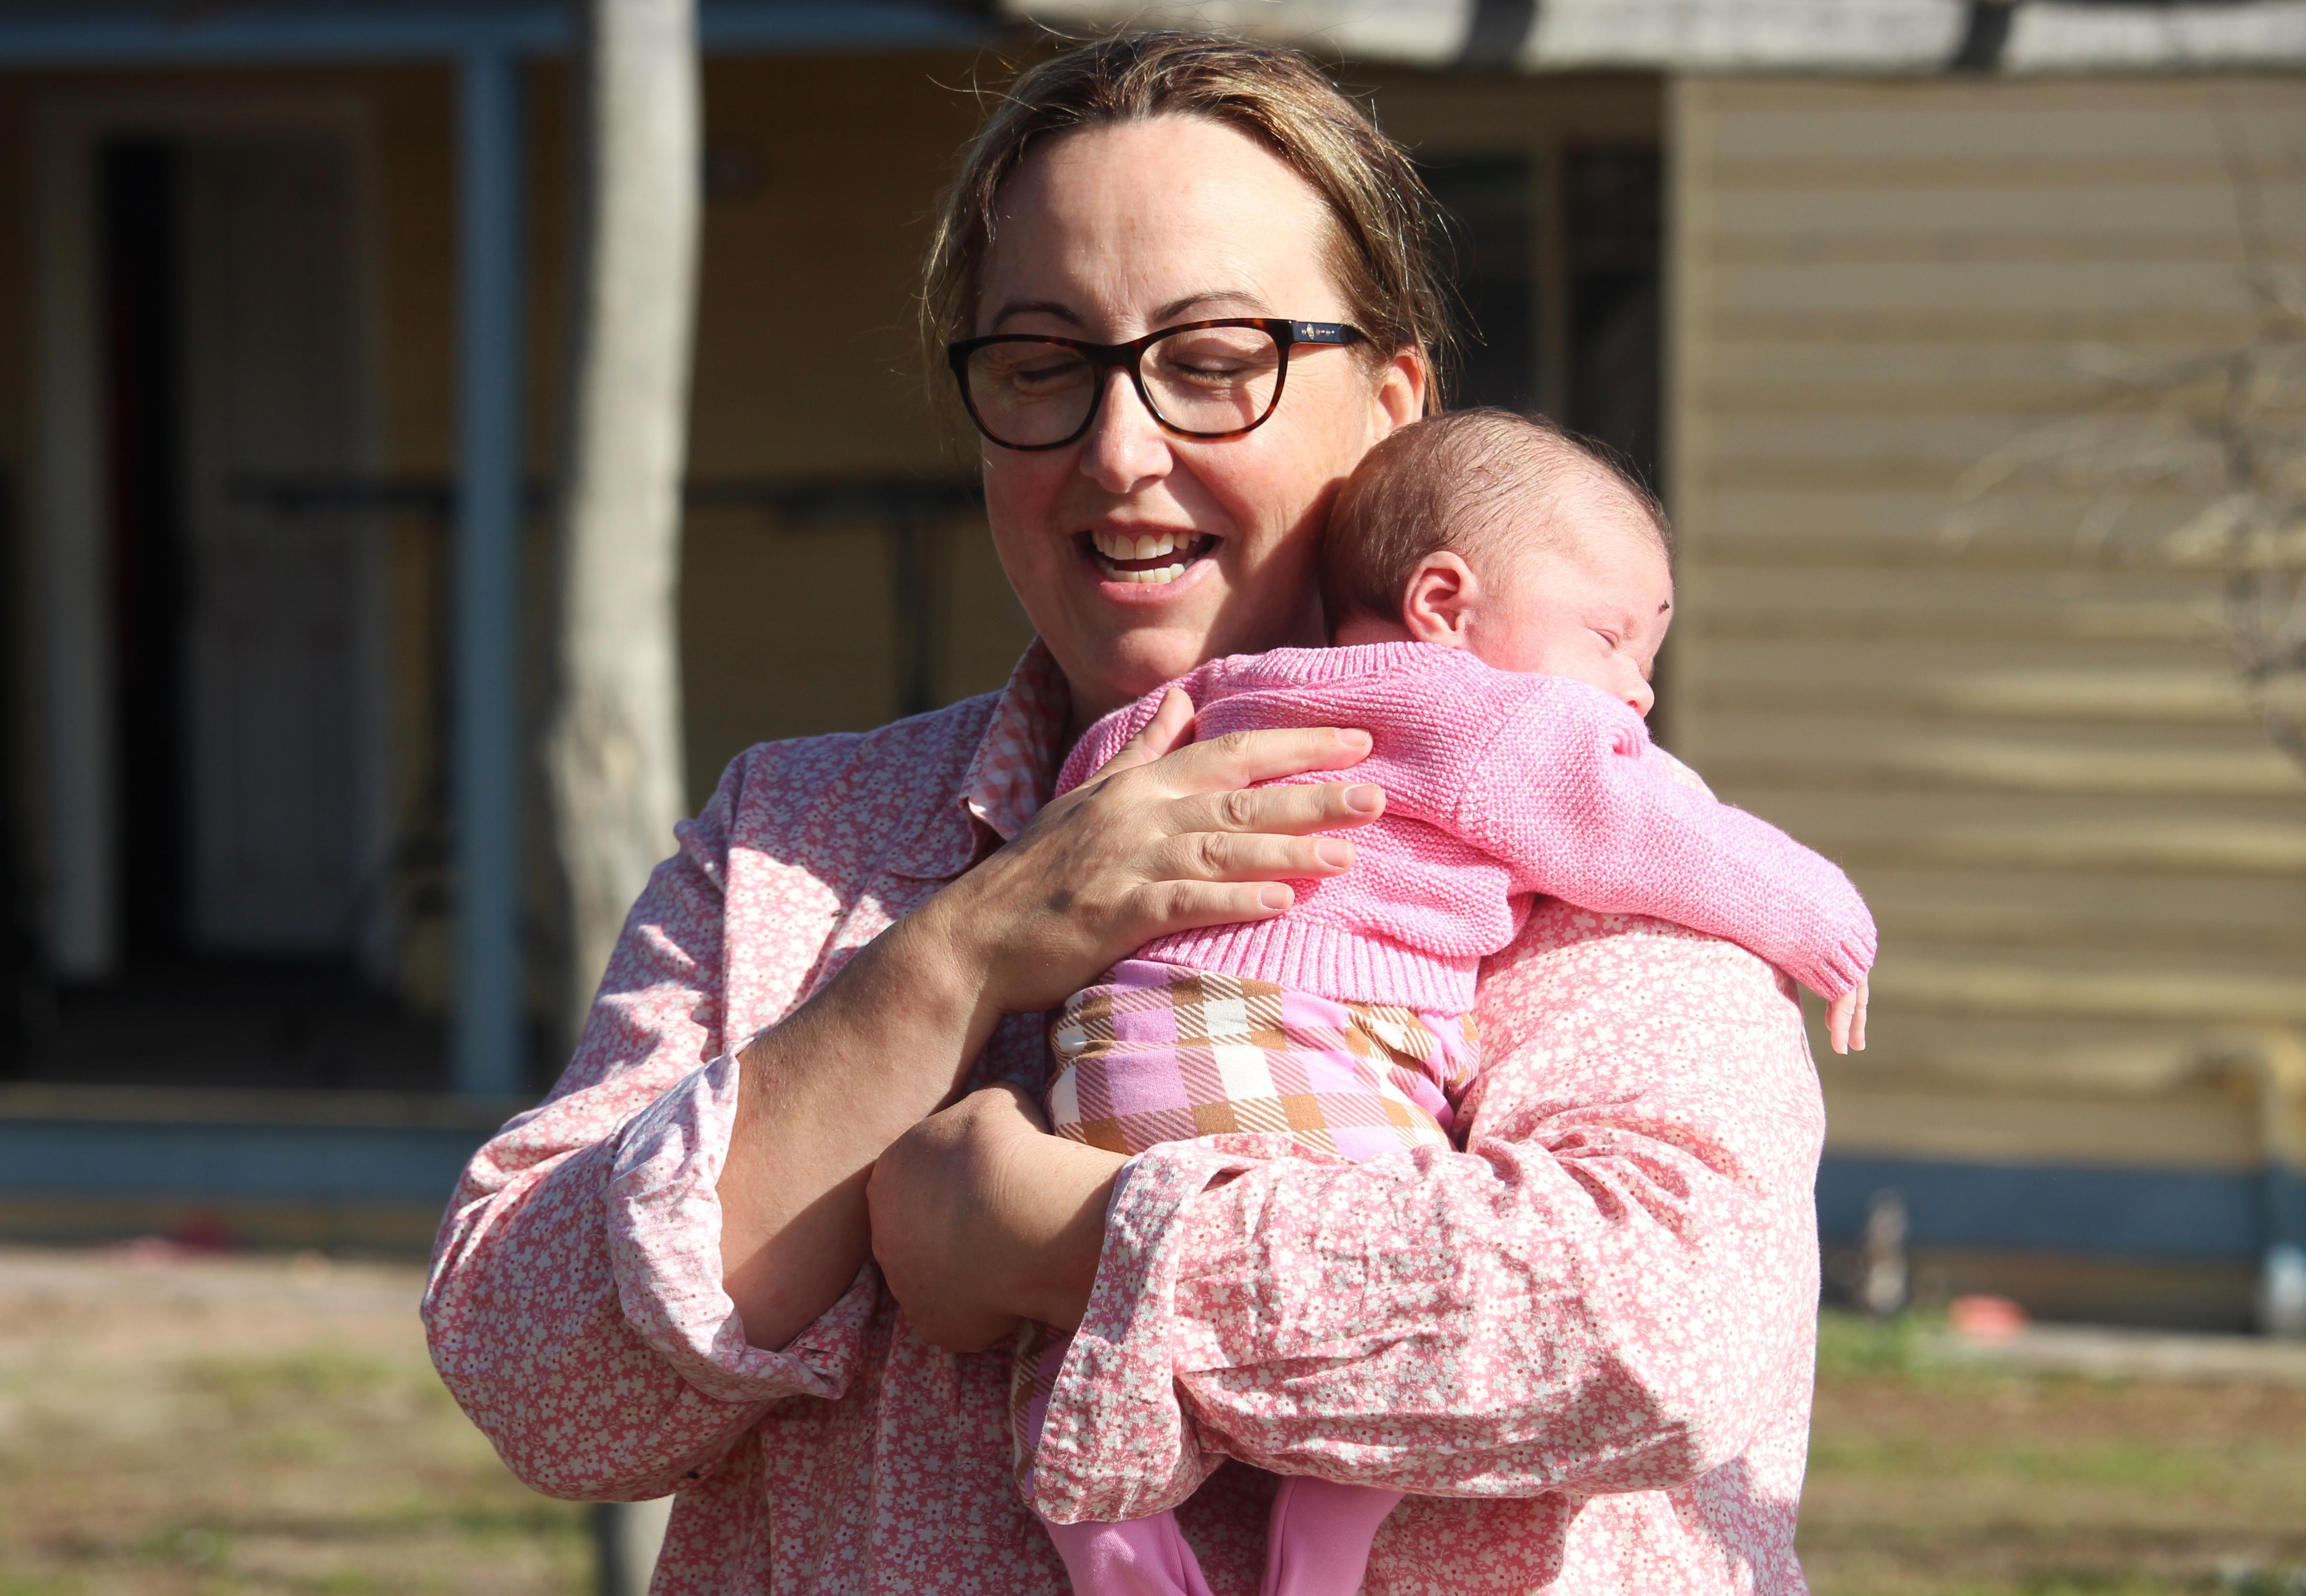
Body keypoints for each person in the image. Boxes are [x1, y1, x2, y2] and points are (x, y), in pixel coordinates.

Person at [423, 32, 1826, 1596]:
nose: (1120, 449)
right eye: (1041, 363)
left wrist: (1065, 1238)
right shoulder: (807, 842)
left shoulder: (1580, 844)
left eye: (1218, 361)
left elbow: (1663, 1336)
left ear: (1392, 402)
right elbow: (533, 1374)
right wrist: (946, 966)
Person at [1011, 407, 1873, 1596]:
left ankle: (1112, 1544)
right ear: (1443, 603)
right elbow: (1646, 831)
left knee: (1084, 1354)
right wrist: (1825, 921)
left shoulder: (1218, 692)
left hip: (1108, 1063)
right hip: (1299, 1054)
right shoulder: (1489, 716)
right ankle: (1315, 1561)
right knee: (1376, 1346)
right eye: (1611, 637)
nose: (1634, 692)